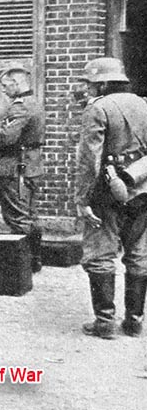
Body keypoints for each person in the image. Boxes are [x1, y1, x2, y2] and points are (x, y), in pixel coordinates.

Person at [73, 57, 147, 339]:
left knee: (101, 253)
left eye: (91, 84)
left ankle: (105, 322)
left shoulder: (98, 109)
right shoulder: (143, 104)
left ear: (103, 83)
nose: (88, 90)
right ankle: (134, 320)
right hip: (141, 188)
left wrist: (82, 200)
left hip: (108, 193)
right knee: (139, 253)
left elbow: (89, 160)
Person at [0, 63, 45, 273]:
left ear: (17, 82)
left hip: (15, 166)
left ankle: (23, 266)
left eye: (5, 85)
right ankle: (34, 261)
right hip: (29, 164)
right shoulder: (33, 102)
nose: (3, 90)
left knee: (17, 216)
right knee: (30, 214)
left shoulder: (20, 106)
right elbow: (17, 131)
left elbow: (9, 136)